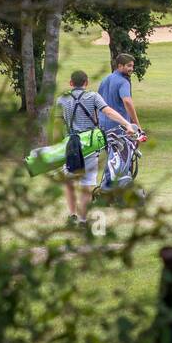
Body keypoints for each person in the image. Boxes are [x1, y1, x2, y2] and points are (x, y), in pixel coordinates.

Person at [59, 69, 137, 227]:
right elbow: (108, 112)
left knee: (69, 181)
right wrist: (127, 124)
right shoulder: (93, 96)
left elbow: (58, 121)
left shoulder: (62, 99)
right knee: (87, 183)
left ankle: (72, 214)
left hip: (70, 144)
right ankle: (82, 219)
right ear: (86, 82)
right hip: (89, 144)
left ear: (71, 83)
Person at [98, 53, 142, 134]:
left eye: (132, 66)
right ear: (120, 66)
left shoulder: (104, 79)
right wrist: (137, 125)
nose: (131, 69)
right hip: (119, 126)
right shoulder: (123, 82)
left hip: (102, 125)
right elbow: (127, 102)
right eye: (129, 66)